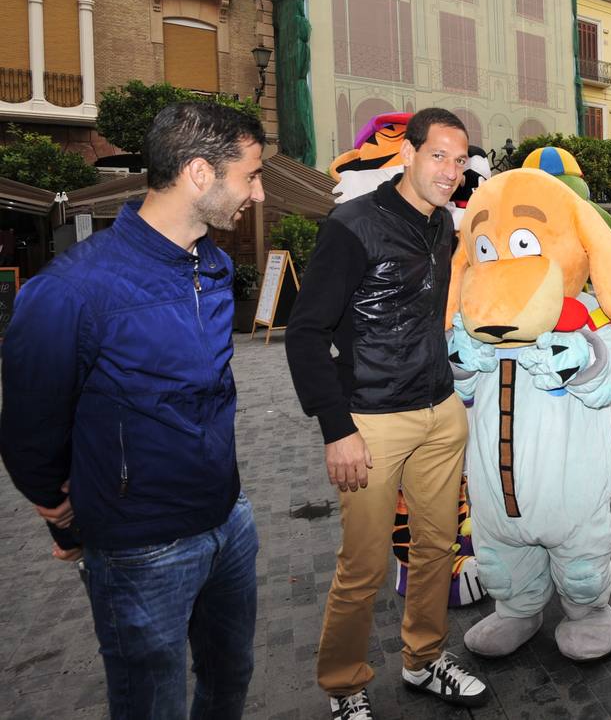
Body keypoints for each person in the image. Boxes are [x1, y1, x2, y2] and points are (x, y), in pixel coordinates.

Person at [0, 103, 266, 719]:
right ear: (199, 172)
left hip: (228, 520)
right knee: (152, 705)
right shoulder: (71, 289)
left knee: (230, 678)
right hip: (141, 549)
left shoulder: (215, 265)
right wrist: (66, 520)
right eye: (251, 176)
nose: (257, 193)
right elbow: (29, 429)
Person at [285, 108, 488, 717]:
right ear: (407, 154)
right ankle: (343, 685)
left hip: (440, 411)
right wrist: (337, 429)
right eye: (438, 156)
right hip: (372, 420)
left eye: (459, 160)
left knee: (436, 548)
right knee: (364, 565)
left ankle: (424, 660)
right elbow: (305, 333)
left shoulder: (442, 224)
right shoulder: (353, 225)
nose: (450, 171)